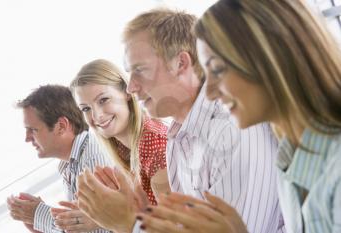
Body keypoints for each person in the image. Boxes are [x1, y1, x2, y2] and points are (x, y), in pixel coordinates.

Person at [137, 0, 341, 233]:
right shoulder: (290, 158)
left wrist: (133, 224)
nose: (211, 92)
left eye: (218, 69)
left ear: (268, 58)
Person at [77, 8, 284, 233]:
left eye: (140, 70)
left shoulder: (231, 129)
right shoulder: (178, 136)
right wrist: (145, 219)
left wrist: (131, 224)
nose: (131, 87)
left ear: (181, 63)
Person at [70, 59, 169, 232]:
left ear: (127, 91)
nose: (97, 116)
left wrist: (111, 220)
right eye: (86, 109)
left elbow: (174, 227)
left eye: (103, 100)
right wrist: (103, 216)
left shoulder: (153, 145)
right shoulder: (125, 148)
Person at [7, 85, 111, 233]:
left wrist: (39, 215)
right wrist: (36, 222)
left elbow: (98, 230)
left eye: (33, 130)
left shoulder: (93, 161)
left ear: (61, 126)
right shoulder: (70, 163)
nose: (27, 138)